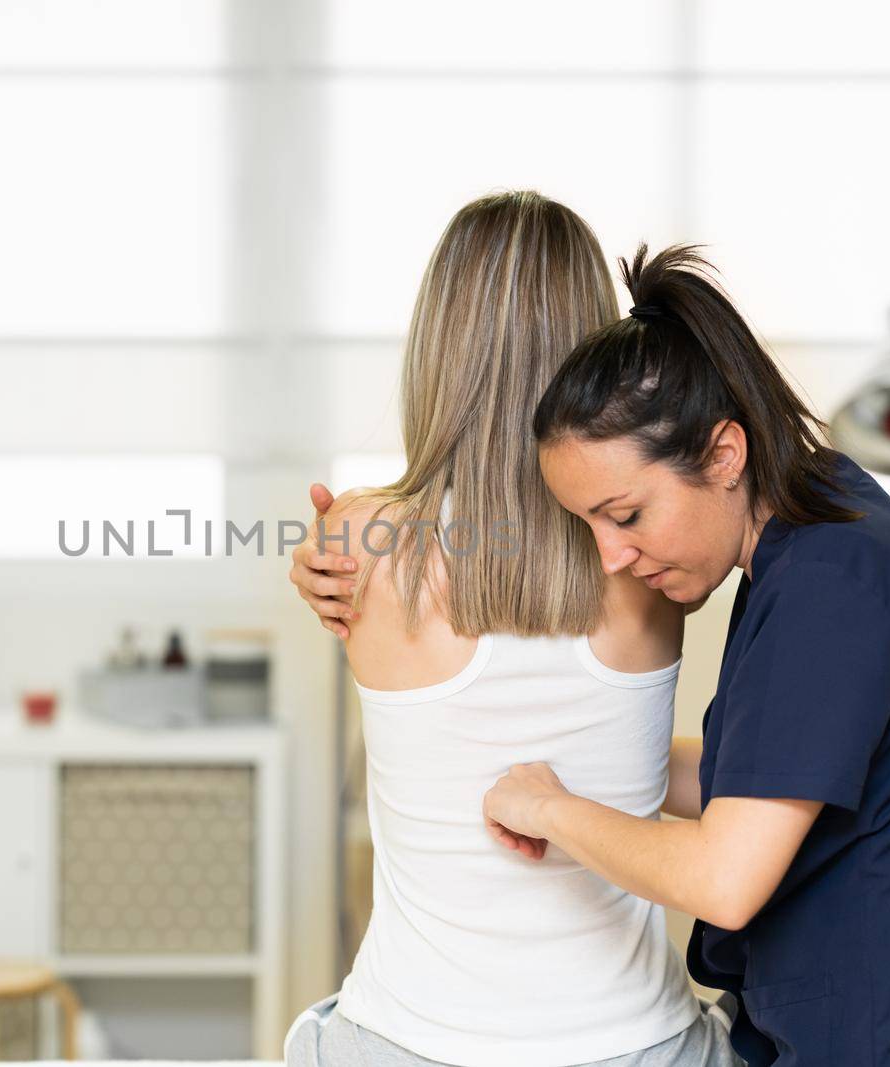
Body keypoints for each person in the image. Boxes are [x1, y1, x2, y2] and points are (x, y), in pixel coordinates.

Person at [481, 243, 890, 1065]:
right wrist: (577, 759)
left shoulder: (832, 585)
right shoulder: (817, 534)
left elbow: (726, 874)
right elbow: (758, 779)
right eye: (589, 526)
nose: (612, 555)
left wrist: (553, 812)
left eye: (625, 514)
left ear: (724, 454)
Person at [283, 194, 741, 1067]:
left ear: (438, 348)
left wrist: (322, 545)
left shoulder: (361, 537)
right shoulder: (642, 546)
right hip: (639, 1045)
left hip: (405, 1042)